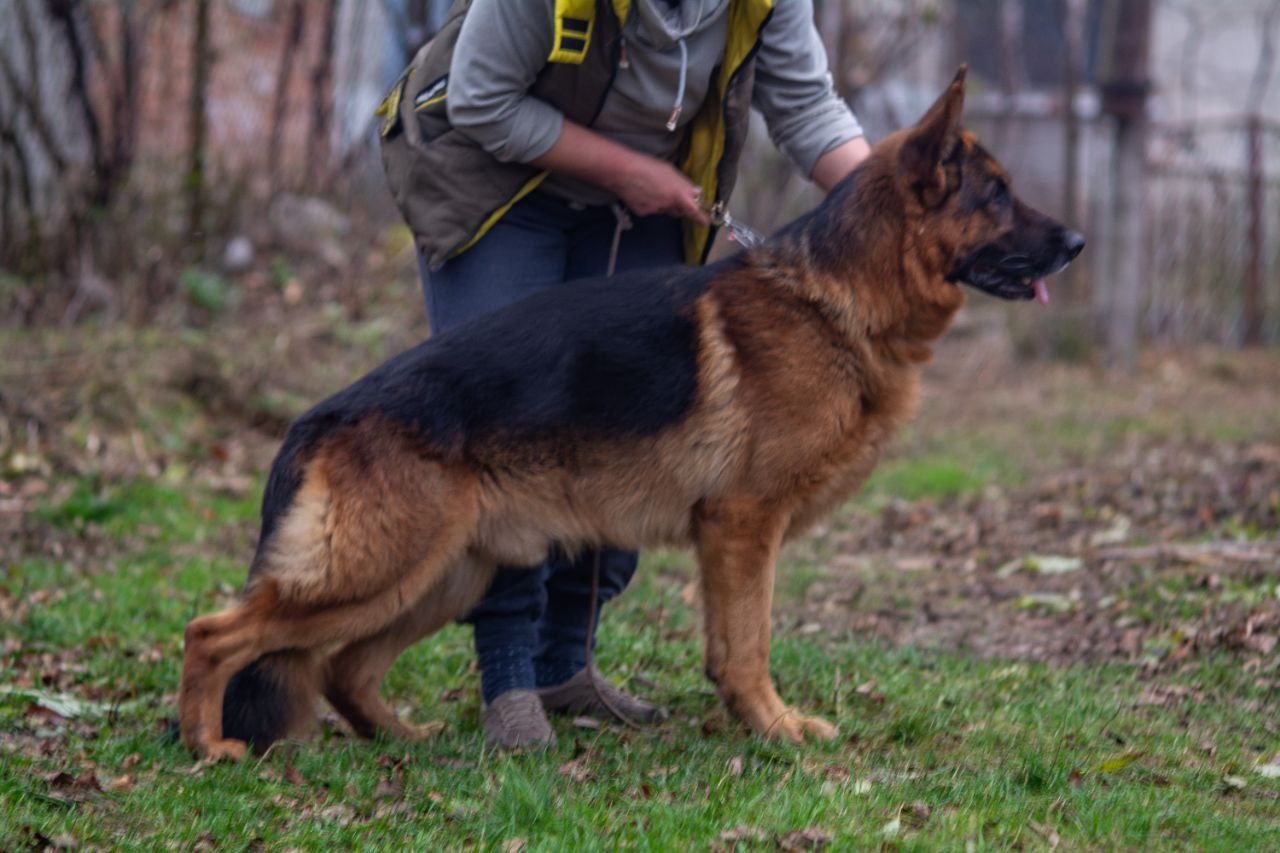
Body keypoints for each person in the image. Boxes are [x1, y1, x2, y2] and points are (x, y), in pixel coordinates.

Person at [378, 0, 870, 749]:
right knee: (506, 434)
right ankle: (508, 680)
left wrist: (896, 200)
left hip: (640, 202)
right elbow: (482, 98)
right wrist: (628, 168)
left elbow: (805, 106)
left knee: (643, 436)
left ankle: (564, 667)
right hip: (498, 183)